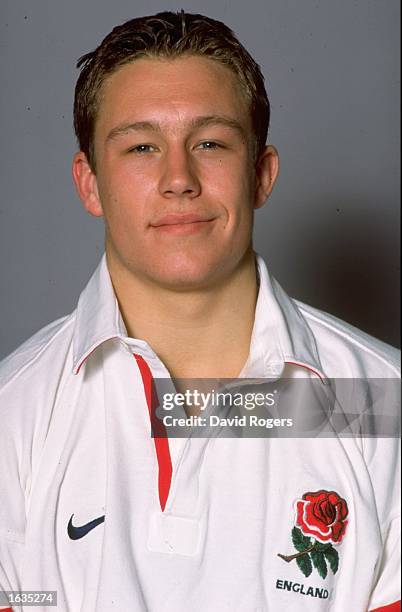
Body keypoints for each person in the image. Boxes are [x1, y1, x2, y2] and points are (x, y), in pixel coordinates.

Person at [0, 11, 400, 612]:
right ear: (89, 183)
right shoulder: (15, 415)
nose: (179, 179)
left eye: (210, 143)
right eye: (141, 146)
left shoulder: (379, 402)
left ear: (261, 174)